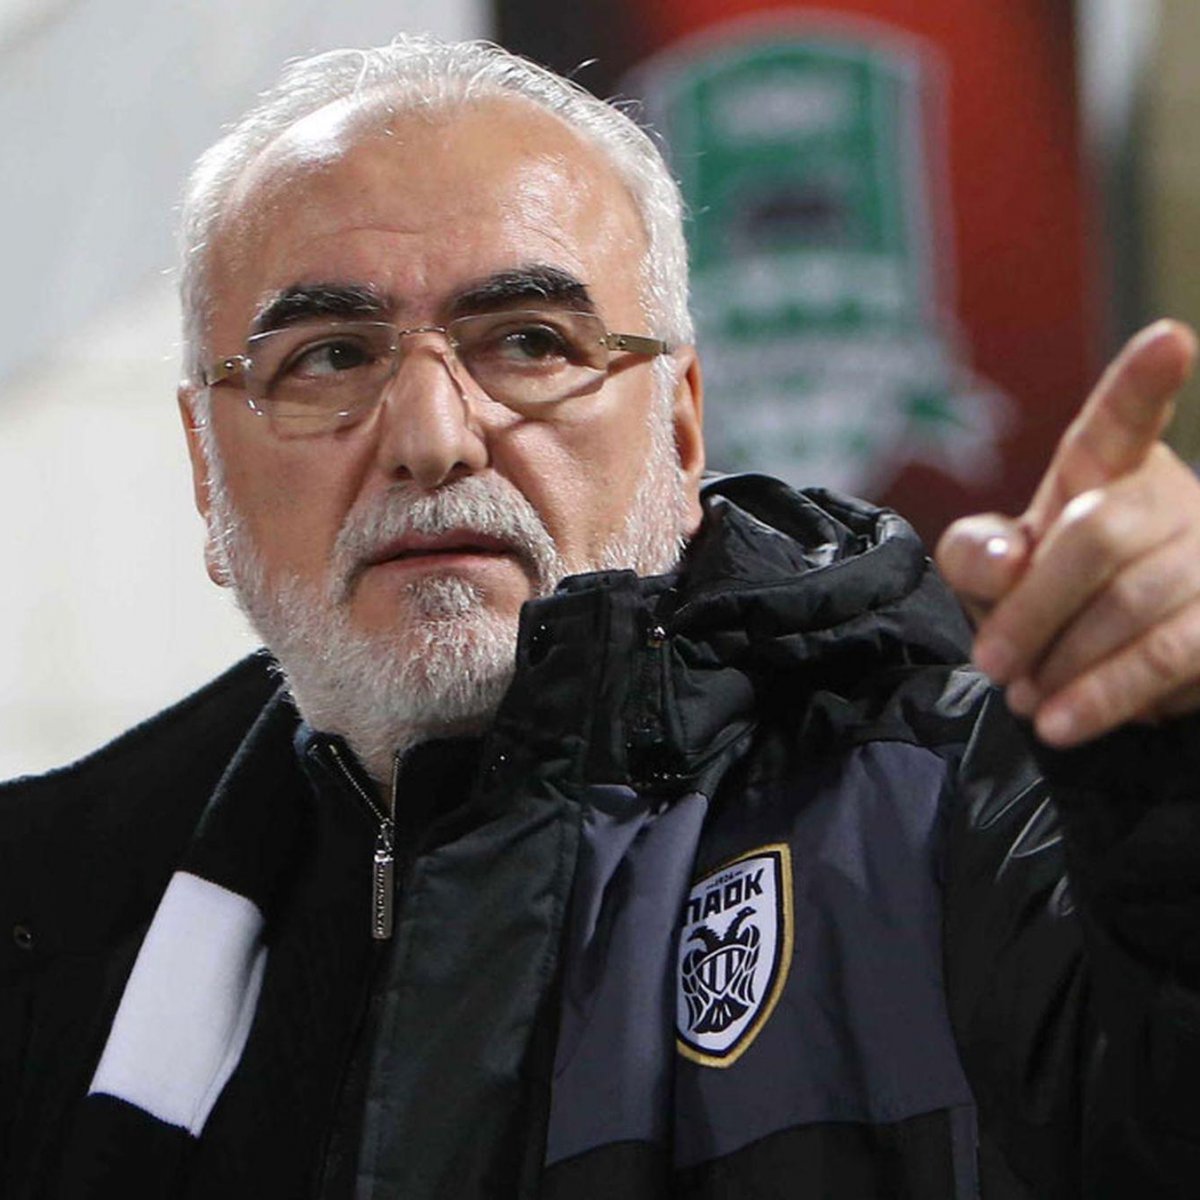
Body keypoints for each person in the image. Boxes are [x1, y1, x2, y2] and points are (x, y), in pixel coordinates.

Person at [3, 33, 1200, 1200]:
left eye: (530, 342)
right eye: (327, 358)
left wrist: (1177, 776)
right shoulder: (49, 920)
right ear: (206, 470)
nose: (431, 437)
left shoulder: (966, 808)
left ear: (681, 428)